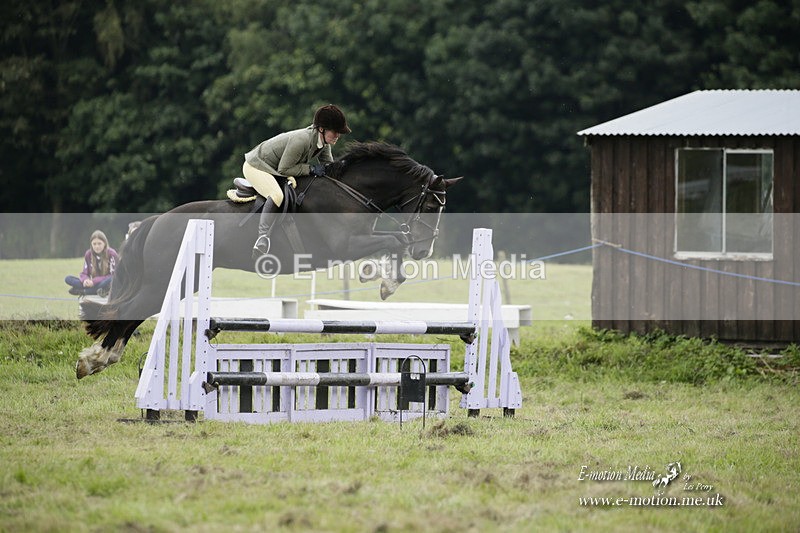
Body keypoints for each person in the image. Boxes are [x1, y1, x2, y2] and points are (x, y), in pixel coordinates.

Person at [245, 104, 351, 258]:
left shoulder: (322, 143)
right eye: (335, 132)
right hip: (257, 166)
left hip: (275, 168)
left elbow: (329, 167)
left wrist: (344, 170)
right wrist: (311, 169)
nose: (338, 136)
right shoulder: (302, 140)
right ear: (322, 129)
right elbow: (284, 169)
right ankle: (262, 238)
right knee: (277, 195)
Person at [64, 230, 119, 297]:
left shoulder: (112, 254)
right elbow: (84, 273)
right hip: (92, 284)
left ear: (104, 243)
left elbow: (114, 275)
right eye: (94, 244)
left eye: (99, 244)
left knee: (110, 280)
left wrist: (94, 281)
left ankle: (85, 291)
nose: (97, 246)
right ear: (91, 244)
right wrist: (85, 280)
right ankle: (92, 290)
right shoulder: (88, 254)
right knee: (68, 279)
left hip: (105, 283)